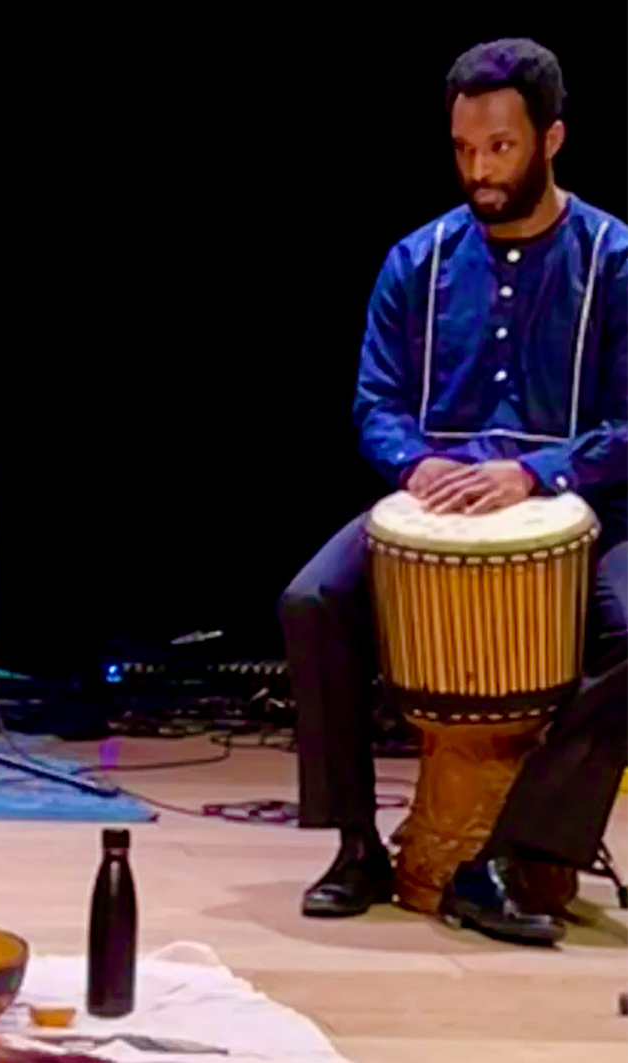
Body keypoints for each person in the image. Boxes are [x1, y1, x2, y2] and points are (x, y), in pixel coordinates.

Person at [281, 38, 626, 946]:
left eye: (501, 148)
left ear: (552, 137)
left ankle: (513, 852)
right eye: (465, 148)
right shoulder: (417, 261)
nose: (479, 169)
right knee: (313, 600)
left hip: (589, 505)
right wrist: (411, 464)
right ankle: (356, 844)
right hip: (439, 504)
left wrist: (537, 473)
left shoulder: (616, 260)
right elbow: (374, 403)